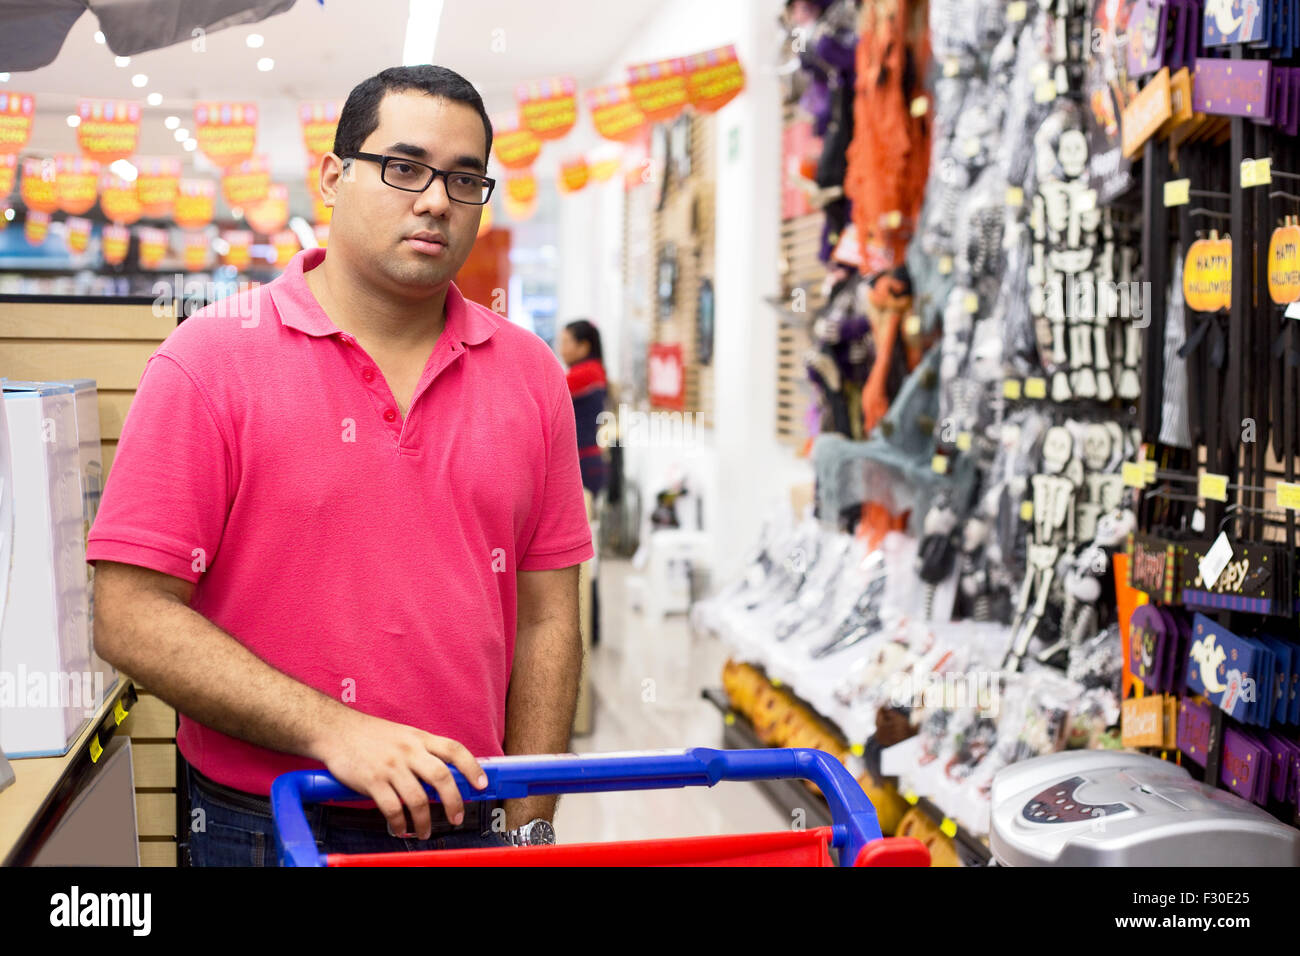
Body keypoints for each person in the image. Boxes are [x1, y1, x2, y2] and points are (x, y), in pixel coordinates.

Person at [87, 65, 593, 865]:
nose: (435, 201)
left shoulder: (530, 375)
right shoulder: (211, 360)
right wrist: (338, 730)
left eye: (465, 180)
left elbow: (549, 618)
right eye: (404, 167)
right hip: (260, 824)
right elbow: (128, 613)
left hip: (470, 817)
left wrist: (528, 821)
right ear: (332, 176)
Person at [558, 319, 608, 496]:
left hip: (582, 461)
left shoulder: (587, 372)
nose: (561, 349)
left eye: (566, 342)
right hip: (587, 459)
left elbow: (546, 391)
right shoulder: (595, 370)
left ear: (584, 346)